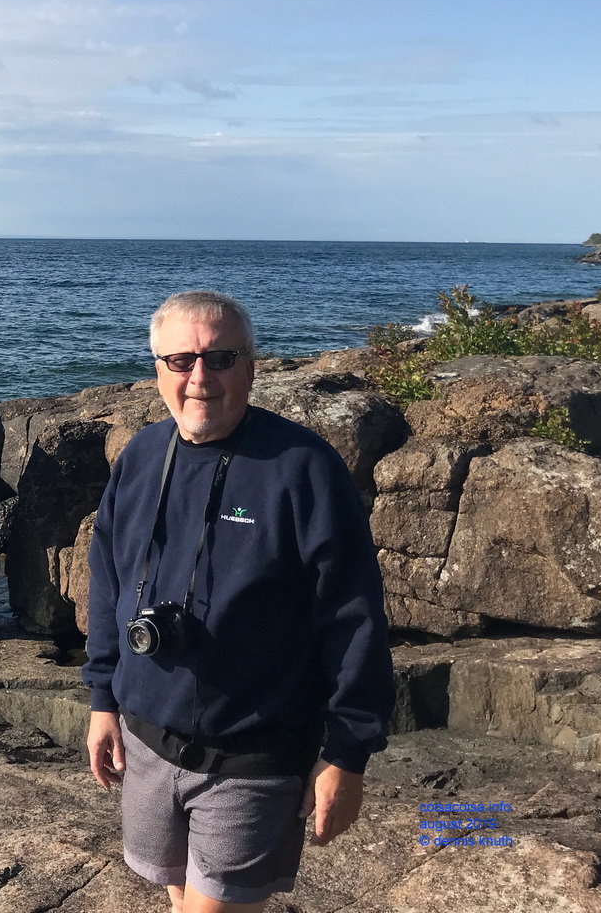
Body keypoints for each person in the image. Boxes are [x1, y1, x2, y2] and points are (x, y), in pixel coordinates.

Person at [83, 290, 393, 913]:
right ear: (158, 371)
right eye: (180, 361)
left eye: (220, 359)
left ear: (251, 366)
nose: (200, 378)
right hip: (146, 741)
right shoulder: (142, 456)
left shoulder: (302, 467)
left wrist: (347, 753)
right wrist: (102, 699)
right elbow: (108, 580)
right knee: (177, 894)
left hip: (253, 754)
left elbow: (353, 616)